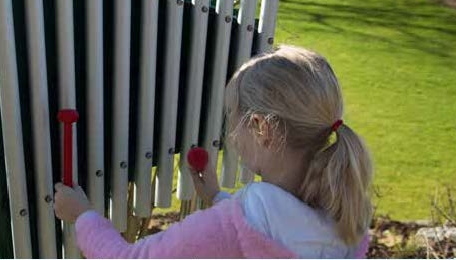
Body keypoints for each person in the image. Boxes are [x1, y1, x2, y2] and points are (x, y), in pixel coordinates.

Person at [54, 45, 373, 258]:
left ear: (261, 127)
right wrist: (219, 200)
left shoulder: (238, 223)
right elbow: (268, 230)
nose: (231, 135)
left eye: (232, 116)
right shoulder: (347, 223)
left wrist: (82, 216)